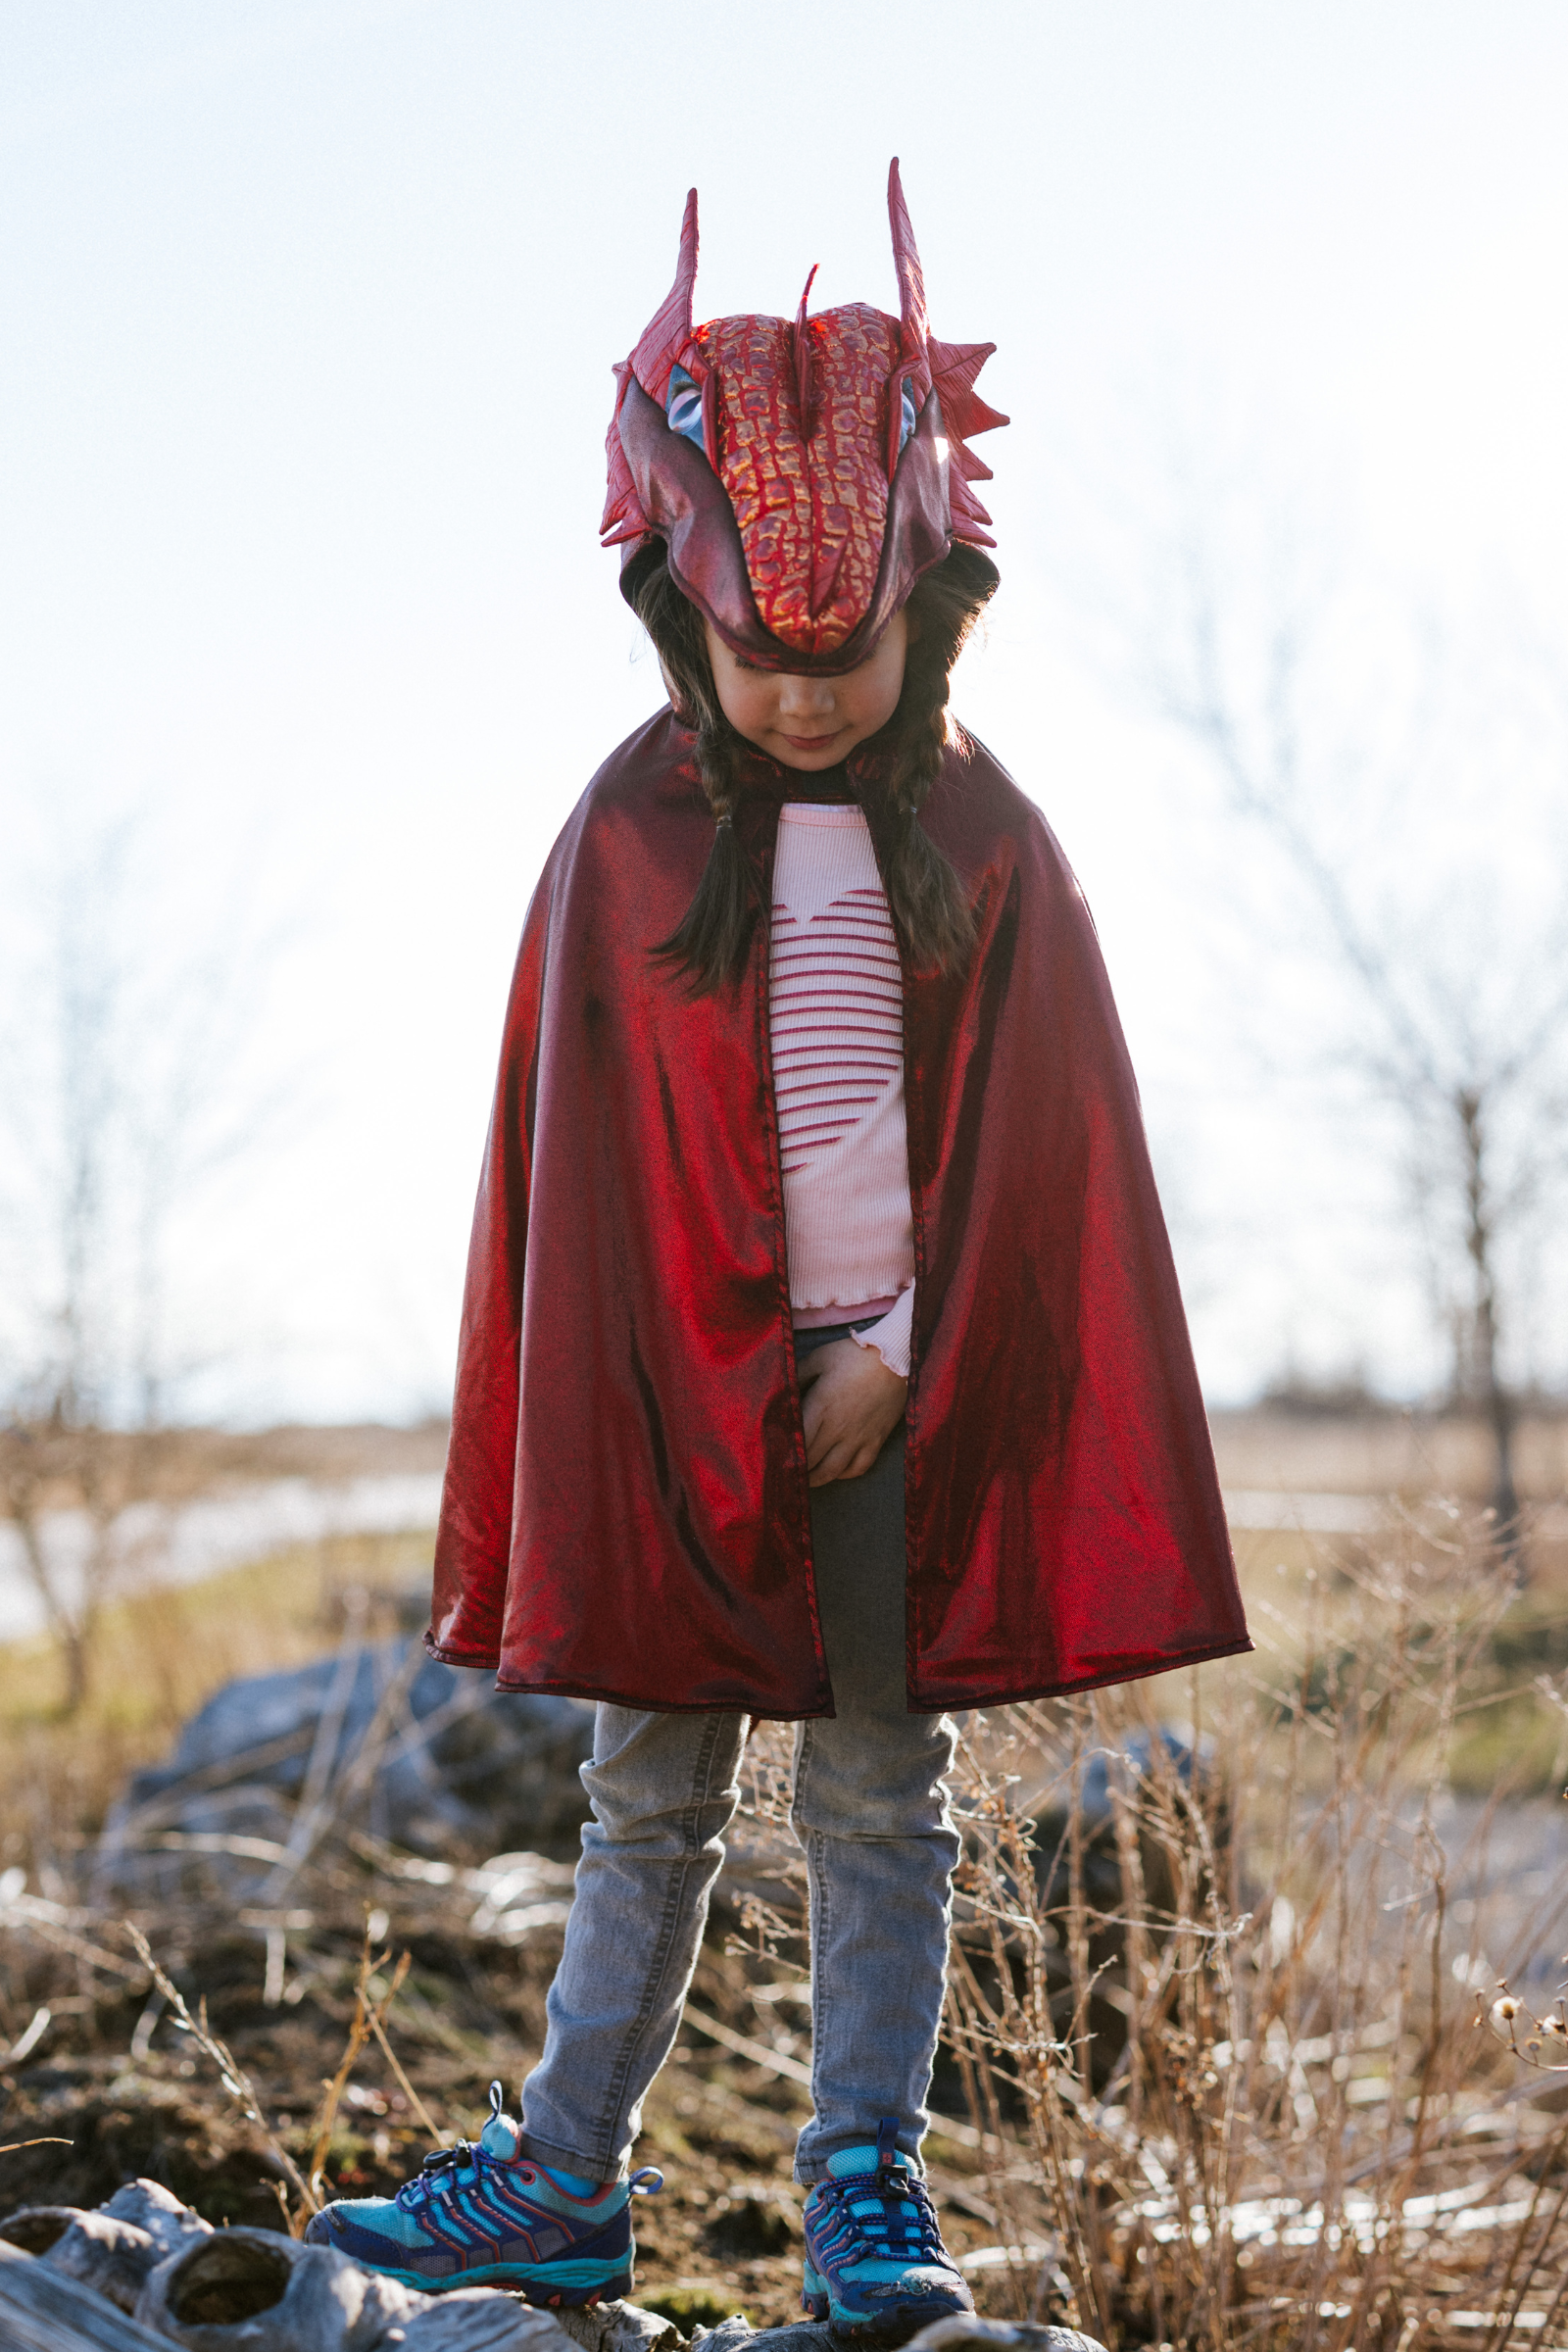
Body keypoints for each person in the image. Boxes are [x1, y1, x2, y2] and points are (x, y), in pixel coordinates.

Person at [308, 161, 1250, 2338]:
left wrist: (896, 1349)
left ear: (934, 607)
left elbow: (1024, 1154)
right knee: (642, 1794)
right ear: (681, 620)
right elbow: (591, 1182)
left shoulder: (985, 843)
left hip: (880, 1401)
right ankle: (560, 2176)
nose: (806, 698)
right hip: (672, 1397)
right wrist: (693, 1376)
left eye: (851, 655)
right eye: (760, 656)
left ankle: (862, 2189)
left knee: (873, 1793)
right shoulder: (624, 838)